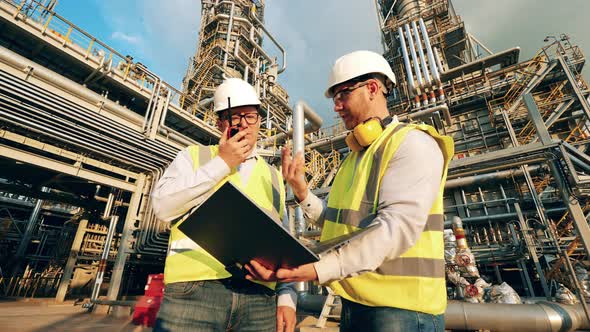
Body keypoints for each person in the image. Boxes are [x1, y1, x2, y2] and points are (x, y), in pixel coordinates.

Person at [246, 50, 454, 332]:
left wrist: (317, 269)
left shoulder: (412, 143)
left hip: (402, 311)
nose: (336, 107)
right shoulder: (353, 158)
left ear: (372, 88)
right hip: (355, 303)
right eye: (334, 99)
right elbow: (338, 222)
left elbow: (395, 229)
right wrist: (303, 192)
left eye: (343, 95)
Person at [151, 78, 297, 332]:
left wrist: (287, 297)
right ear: (220, 123)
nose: (243, 124)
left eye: (250, 116)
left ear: (260, 121)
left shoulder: (275, 178)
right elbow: (163, 207)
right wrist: (222, 162)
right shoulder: (193, 157)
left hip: (259, 297)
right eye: (234, 116)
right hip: (195, 289)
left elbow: (284, 244)